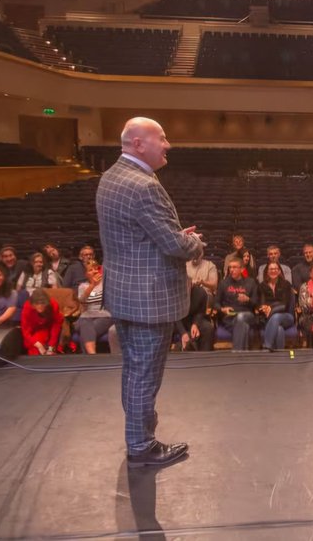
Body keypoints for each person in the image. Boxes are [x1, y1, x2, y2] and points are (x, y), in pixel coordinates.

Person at [96, 116, 204, 468]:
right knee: (145, 373)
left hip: (126, 294)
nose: (168, 144)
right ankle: (141, 446)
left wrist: (172, 235)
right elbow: (175, 244)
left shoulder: (110, 178)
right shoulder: (144, 186)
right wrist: (194, 243)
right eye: (162, 137)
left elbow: (139, 236)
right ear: (138, 143)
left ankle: (137, 435)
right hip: (149, 300)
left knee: (133, 369)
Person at [74, 261, 118, 354]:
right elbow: (82, 301)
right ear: (86, 274)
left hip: (104, 316)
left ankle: (91, 356)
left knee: (85, 331)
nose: (94, 271)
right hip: (86, 317)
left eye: (96, 268)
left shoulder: (107, 284)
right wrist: (92, 285)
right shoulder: (83, 286)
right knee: (85, 323)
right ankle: (93, 356)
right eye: (90, 270)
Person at [217, 259, 258, 350]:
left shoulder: (250, 282)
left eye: (234, 267)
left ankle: (237, 355)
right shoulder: (223, 283)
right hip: (229, 319)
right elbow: (216, 303)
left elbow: (256, 303)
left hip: (247, 315)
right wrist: (222, 309)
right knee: (244, 326)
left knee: (240, 317)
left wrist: (248, 299)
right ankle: (244, 356)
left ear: (242, 269)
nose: (231, 270)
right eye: (230, 267)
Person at [257, 262, 296, 351]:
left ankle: (266, 346)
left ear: (279, 271)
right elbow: (262, 304)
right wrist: (264, 308)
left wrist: (271, 308)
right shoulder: (262, 286)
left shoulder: (286, 284)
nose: (273, 271)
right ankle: (280, 355)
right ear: (267, 272)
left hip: (287, 316)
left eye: (275, 269)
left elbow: (285, 305)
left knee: (276, 316)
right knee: (279, 329)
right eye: (271, 269)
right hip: (268, 317)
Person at [21, 289, 63, 356]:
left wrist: (51, 346)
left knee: (51, 352)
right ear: (32, 304)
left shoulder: (53, 305)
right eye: (37, 304)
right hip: (32, 332)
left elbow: (56, 326)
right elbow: (25, 331)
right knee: (34, 349)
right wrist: (38, 345)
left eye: (42, 303)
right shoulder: (27, 307)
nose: (40, 306)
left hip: (48, 328)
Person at [178, 283, 215, 352]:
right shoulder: (174, 294)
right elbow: (174, 316)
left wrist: (195, 324)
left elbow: (200, 312)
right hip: (178, 321)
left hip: (193, 319)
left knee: (208, 328)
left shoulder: (200, 292)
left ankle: (205, 357)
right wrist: (183, 332)